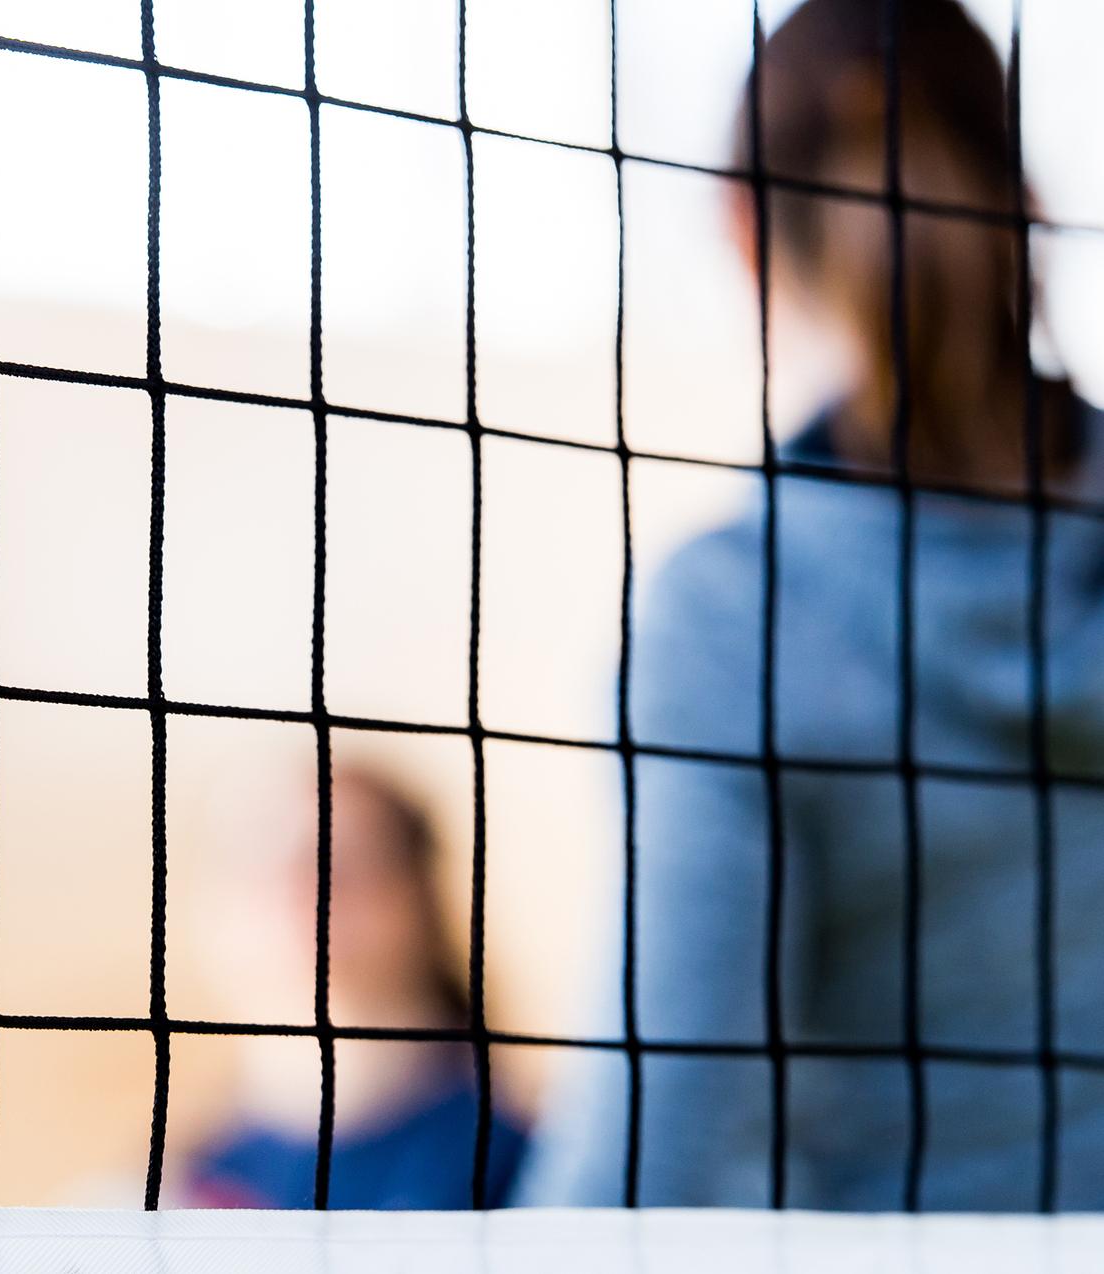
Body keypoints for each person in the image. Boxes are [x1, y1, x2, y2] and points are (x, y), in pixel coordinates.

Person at [518, 0, 1104, 1211]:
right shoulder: (735, 621)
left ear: (741, 231)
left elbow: (653, 1145)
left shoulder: (729, 622)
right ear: (1027, 198)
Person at [179, 762, 526, 1209]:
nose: (297, 888)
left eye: (341, 861)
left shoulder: (528, 1167)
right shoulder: (168, 1196)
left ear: (421, 898)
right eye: (255, 859)